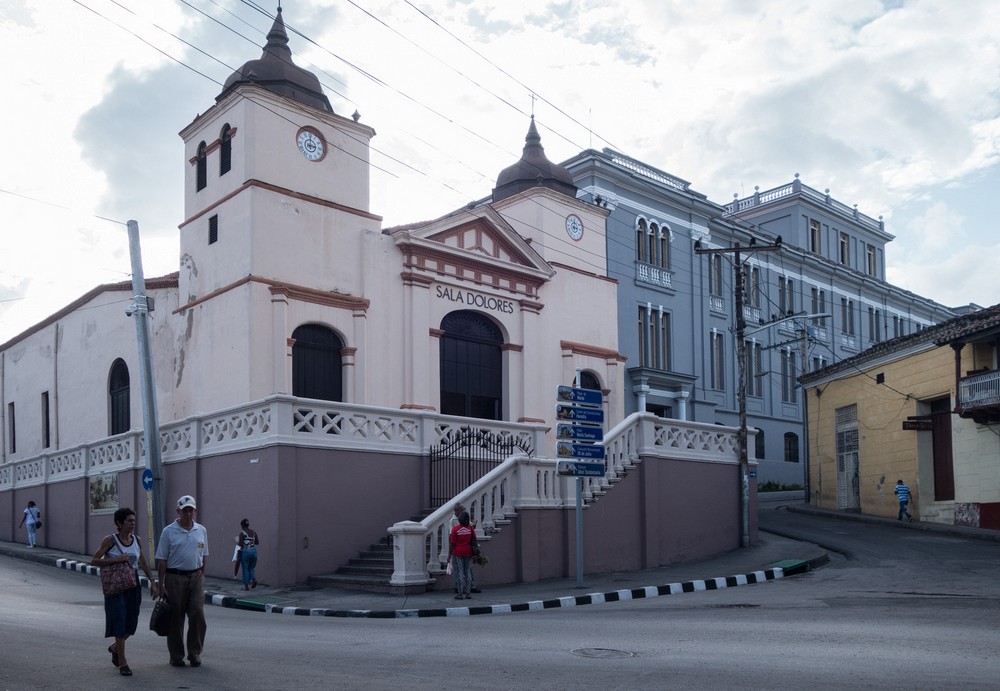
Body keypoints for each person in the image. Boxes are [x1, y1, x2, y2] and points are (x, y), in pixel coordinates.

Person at [91, 508, 159, 676]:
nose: (133, 523)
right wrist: (115, 559)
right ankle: (123, 662)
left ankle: (115, 648)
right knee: (120, 620)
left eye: (134, 520)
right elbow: (94, 560)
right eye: (129, 521)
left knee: (131, 622)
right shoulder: (110, 541)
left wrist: (152, 582)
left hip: (132, 583)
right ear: (119, 523)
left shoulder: (137, 540)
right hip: (115, 586)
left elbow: (142, 562)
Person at [155, 495, 209, 668]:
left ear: (195, 511)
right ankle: (176, 655)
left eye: (190, 510)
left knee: (198, 614)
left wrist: (202, 575)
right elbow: (162, 560)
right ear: (178, 511)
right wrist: (161, 584)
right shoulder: (168, 531)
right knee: (176, 618)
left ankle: (195, 653)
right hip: (175, 577)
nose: (188, 514)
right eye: (185, 510)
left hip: (195, 577)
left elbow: (204, 556)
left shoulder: (201, 530)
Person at [449, 503, 480, 593]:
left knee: (465, 569)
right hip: (463, 550)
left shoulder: (465, 526)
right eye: (462, 509)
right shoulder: (453, 522)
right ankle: (463, 589)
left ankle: (467, 588)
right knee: (462, 570)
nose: (464, 511)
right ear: (457, 510)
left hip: (461, 550)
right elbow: (452, 538)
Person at [235, 518, 260, 590]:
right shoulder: (254, 532)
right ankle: (254, 579)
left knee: (245, 569)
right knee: (251, 567)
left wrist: (237, 541)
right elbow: (257, 542)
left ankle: (246, 586)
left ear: (242, 526)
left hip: (246, 552)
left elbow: (240, 545)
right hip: (254, 551)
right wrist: (251, 541)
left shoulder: (242, 533)